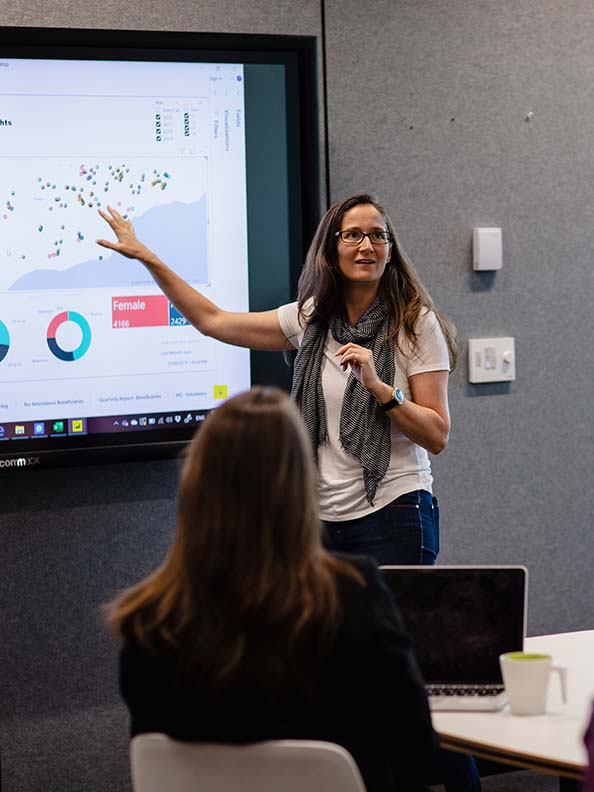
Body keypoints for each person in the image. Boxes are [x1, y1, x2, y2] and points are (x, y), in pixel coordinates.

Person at [105, 387, 438, 792]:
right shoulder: (352, 596)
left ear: (196, 484)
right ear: (299, 485)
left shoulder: (148, 622)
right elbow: (417, 752)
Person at [97, 193, 457, 566]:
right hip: (319, 519)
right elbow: (212, 321)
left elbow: (436, 435)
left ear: (389, 249)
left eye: (377, 236)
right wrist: (148, 259)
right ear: (331, 248)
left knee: (390, 628)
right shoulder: (311, 319)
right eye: (352, 235)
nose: (366, 246)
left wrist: (381, 389)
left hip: (393, 512)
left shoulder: (416, 324)